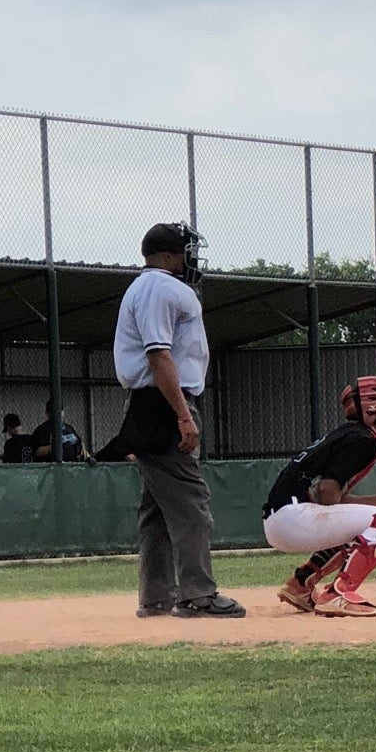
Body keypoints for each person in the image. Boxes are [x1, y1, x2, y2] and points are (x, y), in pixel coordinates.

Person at [112, 222, 243, 619]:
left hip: (150, 402)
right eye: (185, 252)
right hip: (164, 403)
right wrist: (183, 416)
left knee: (156, 508)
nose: (191, 259)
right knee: (192, 503)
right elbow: (158, 355)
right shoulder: (162, 288)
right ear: (168, 255)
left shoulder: (144, 286)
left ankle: (156, 597)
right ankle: (198, 596)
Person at [266, 377, 376, 618]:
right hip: (292, 517)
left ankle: (301, 584)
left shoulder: (350, 434)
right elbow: (328, 494)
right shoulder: (365, 438)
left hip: (283, 518)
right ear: (373, 411)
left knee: (366, 525)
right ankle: (338, 593)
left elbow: (331, 498)